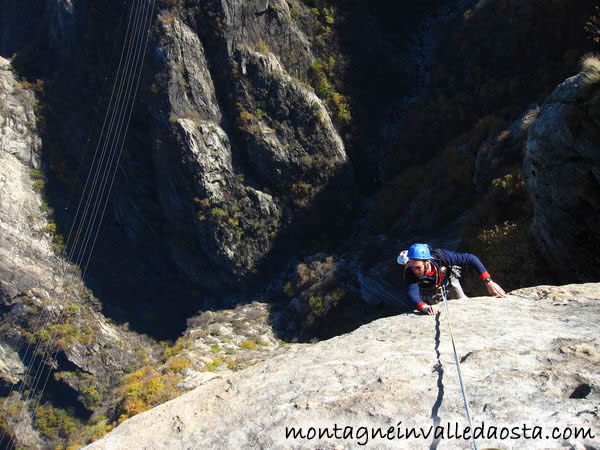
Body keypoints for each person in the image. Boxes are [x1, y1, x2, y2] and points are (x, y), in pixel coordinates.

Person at [401, 243, 506, 315]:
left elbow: (471, 258)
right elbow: (412, 294)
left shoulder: (442, 257)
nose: (415, 270)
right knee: (434, 313)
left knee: (464, 305)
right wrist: (424, 306)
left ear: (427, 262)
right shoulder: (409, 271)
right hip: (428, 291)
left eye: (418, 267)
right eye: (412, 266)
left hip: (448, 281)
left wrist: (488, 282)